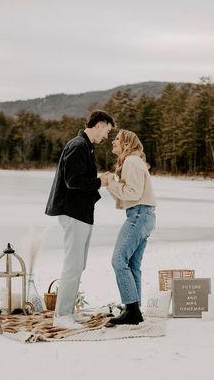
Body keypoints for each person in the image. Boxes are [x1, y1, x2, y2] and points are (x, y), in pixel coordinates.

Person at [45, 110, 115, 329]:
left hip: (80, 213)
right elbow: (72, 181)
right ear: (99, 124)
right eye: (107, 130)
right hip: (73, 213)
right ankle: (62, 315)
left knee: (78, 265)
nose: (107, 136)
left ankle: (68, 312)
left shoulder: (85, 145)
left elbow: (77, 179)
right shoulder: (78, 145)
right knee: (72, 266)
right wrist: (99, 182)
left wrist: (97, 181)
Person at [105, 129, 156, 325]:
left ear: (126, 143)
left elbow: (133, 193)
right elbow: (127, 195)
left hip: (139, 215)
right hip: (144, 215)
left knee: (118, 260)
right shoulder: (133, 161)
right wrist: (112, 184)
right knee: (132, 265)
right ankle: (134, 309)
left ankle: (132, 309)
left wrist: (111, 183)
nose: (113, 142)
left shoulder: (131, 161)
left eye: (117, 139)